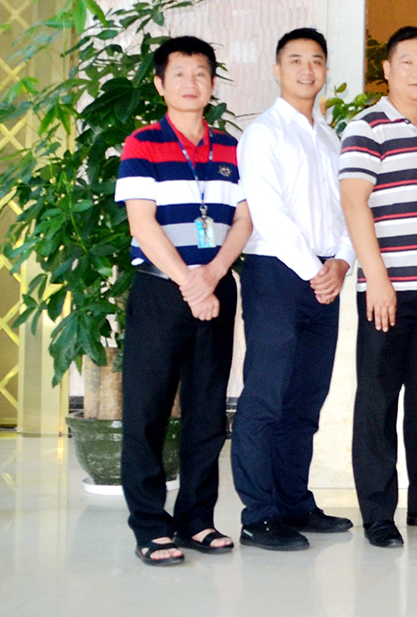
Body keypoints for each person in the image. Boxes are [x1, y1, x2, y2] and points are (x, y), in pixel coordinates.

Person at [114, 36, 252, 566]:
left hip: (216, 287)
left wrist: (212, 275)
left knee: (207, 410)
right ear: (159, 84)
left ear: (212, 83)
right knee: (146, 411)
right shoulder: (142, 144)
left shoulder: (231, 149)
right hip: (159, 289)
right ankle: (150, 526)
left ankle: (196, 519)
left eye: (201, 73)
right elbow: (142, 224)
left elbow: (245, 219)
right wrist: (189, 283)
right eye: (179, 74)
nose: (191, 83)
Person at [232, 28, 354, 551]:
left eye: (317, 61)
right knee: (266, 396)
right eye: (296, 60)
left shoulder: (331, 137)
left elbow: (349, 207)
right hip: (277, 274)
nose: (308, 69)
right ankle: (259, 515)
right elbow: (268, 213)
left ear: (325, 71)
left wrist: (341, 262)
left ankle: (294, 503)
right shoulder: (262, 134)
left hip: (326, 274)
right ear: (277, 69)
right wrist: (314, 270)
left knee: (306, 397)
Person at [340, 26, 417, 549]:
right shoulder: (367, 127)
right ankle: (378, 513)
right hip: (388, 291)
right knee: (378, 402)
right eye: (407, 61)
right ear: (386, 71)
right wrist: (378, 281)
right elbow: (353, 203)